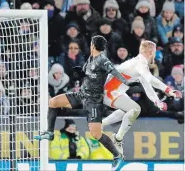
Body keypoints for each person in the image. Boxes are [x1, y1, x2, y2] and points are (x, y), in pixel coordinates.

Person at [34, 35, 131, 169]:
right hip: (81, 94)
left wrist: (126, 83)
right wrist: (80, 74)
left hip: (93, 101)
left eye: (91, 43)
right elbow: (87, 75)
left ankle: (117, 155)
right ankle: (50, 133)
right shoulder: (91, 58)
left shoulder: (103, 60)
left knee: (96, 134)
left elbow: (114, 72)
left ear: (93, 45)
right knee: (53, 102)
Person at [102, 40, 182, 156]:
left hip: (115, 91)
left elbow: (148, 87)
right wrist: (168, 90)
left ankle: (103, 125)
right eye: (153, 51)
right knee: (135, 109)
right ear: (150, 51)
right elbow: (150, 79)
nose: (154, 54)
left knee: (128, 110)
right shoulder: (140, 63)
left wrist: (157, 102)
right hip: (110, 91)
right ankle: (117, 139)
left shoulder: (139, 65)